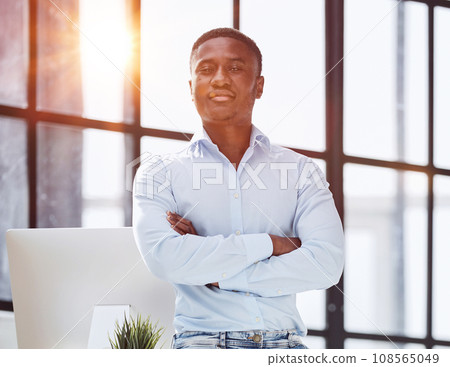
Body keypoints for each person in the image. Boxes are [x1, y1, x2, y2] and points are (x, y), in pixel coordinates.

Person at [132, 27, 344, 349]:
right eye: (206, 69)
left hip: (287, 348)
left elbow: (326, 264)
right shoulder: (158, 172)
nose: (219, 79)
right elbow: (164, 258)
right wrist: (271, 244)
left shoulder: (301, 171)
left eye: (234, 68)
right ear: (192, 88)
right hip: (201, 347)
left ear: (258, 85)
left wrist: (217, 272)